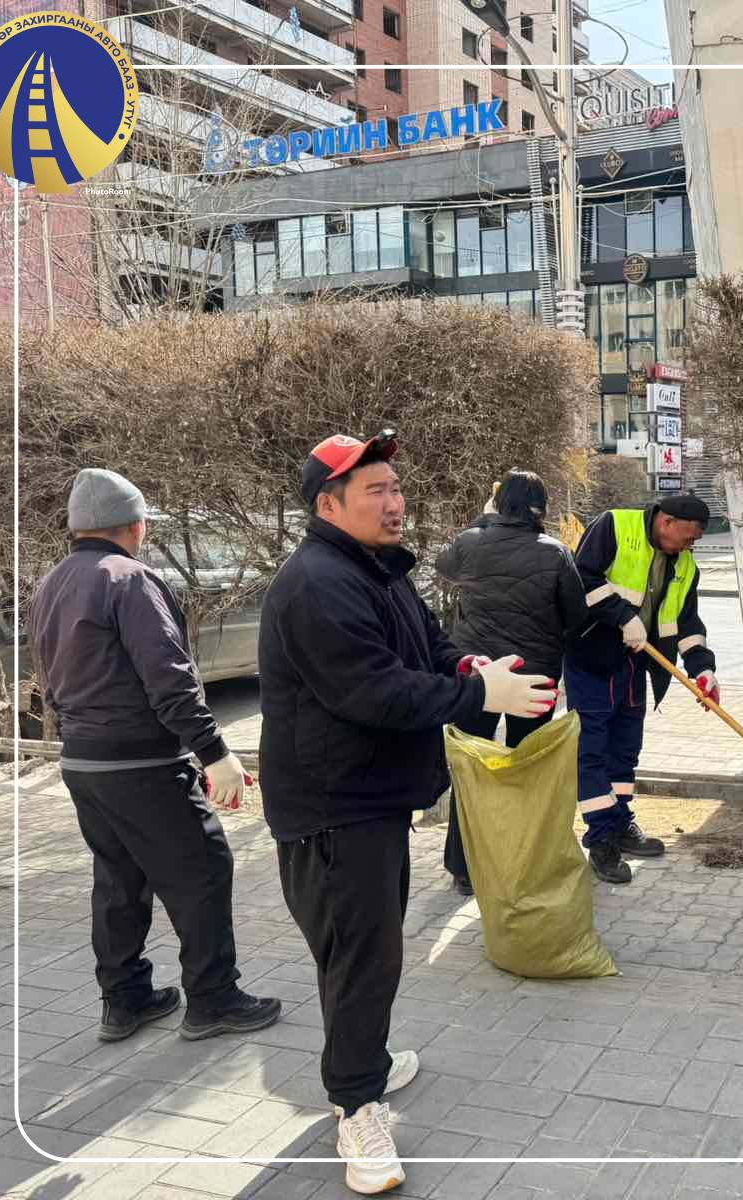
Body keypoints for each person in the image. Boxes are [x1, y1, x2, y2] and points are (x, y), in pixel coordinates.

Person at [258, 430, 555, 1195]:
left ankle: (366, 1062)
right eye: (375, 492)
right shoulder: (318, 582)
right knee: (363, 960)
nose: (395, 503)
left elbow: (427, 645)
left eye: (395, 487)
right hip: (332, 808)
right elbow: (373, 691)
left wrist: (467, 666)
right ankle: (357, 1107)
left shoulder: (376, 570)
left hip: (371, 800)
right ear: (328, 506)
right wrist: (480, 697)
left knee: (366, 951)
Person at [30, 469, 282, 1045]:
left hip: (83, 763)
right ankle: (214, 999)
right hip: (141, 762)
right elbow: (170, 680)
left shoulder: (51, 584)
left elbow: (46, 677)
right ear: (136, 525)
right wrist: (214, 752)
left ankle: (125, 1001)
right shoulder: (131, 579)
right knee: (203, 869)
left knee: (119, 881)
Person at [434, 469, 585, 895]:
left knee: (471, 766)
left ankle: (464, 867)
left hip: (477, 672)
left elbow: (443, 565)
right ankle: (519, 863)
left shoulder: (470, 544)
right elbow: (576, 617)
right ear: (542, 508)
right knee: (528, 768)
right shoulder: (555, 553)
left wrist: (482, 522)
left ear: (498, 503)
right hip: (534, 675)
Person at [566, 493, 717, 884]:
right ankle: (600, 840)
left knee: (625, 751)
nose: (692, 545)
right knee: (593, 751)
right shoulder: (615, 526)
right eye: (689, 536)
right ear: (666, 522)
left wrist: (704, 670)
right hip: (593, 660)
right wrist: (621, 617)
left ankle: (619, 822)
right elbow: (581, 577)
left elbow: (687, 624)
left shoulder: (685, 566)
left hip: (636, 666)